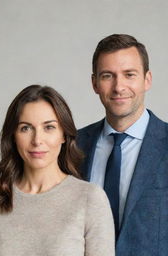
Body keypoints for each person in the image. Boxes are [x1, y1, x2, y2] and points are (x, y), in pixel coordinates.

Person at [0, 85, 114, 256]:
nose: (37, 140)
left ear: (63, 135)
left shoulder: (90, 199)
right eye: (26, 128)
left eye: (49, 127)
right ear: (14, 136)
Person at [77, 34, 168, 255]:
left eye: (129, 75)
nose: (119, 87)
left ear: (147, 79)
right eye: (108, 76)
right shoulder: (71, 146)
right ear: (94, 83)